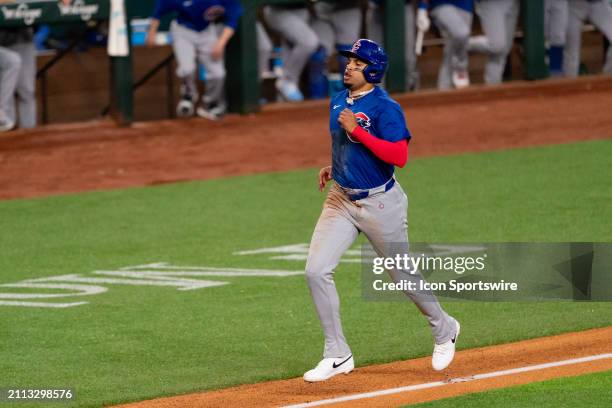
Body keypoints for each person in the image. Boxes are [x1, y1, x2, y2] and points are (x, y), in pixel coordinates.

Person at [303, 38, 460, 382]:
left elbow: (399, 157)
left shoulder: (386, 108)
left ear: (372, 70)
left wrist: (358, 132)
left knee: (403, 276)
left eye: (357, 63)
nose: (348, 66)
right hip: (341, 197)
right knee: (316, 271)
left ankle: (444, 328)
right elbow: (343, 144)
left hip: (381, 203)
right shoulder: (338, 101)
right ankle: (337, 353)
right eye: (349, 61)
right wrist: (335, 166)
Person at [146, 0, 243, 120]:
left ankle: (209, 103)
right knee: (187, 69)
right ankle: (189, 94)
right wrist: (151, 32)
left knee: (219, 74)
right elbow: (159, 9)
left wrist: (221, 43)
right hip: (183, 31)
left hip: (207, 31)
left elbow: (232, 20)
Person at [262, 3, 319, 102]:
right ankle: (286, 79)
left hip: (301, 9)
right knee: (309, 42)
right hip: (277, 9)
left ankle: (283, 101)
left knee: (289, 49)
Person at [418, 0, 474, 89]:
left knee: (451, 47)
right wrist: (422, 8)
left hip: (466, 5)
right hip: (441, 4)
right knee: (461, 33)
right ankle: (461, 67)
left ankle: (444, 88)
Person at [367, 0, 420, 90]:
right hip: (376, 8)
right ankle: (379, 99)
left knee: (408, 59)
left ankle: (409, 93)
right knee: (376, 60)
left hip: (403, 7)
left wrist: (422, 7)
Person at [468, 0, 520, 85]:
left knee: (503, 51)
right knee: (496, 45)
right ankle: (459, 44)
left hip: (512, 2)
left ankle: (493, 87)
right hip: (490, 3)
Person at [0, 27, 37, 132]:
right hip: (2, 43)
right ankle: (8, 131)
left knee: (27, 90)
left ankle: (29, 131)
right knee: (7, 92)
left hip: (23, 39)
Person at [564, 0, 612, 77]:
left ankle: (607, 79)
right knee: (571, 51)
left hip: (598, 4)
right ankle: (567, 85)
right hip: (573, 5)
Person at [545, 0, 569, 76]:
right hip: (540, 3)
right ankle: (543, 71)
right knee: (543, 36)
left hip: (560, 2)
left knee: (559, 37)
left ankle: (556, 73)